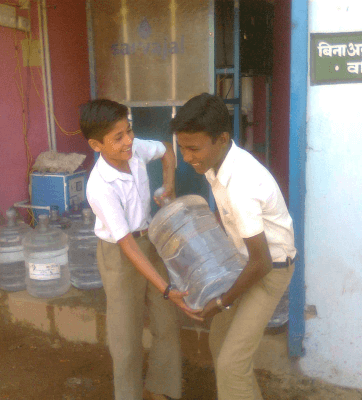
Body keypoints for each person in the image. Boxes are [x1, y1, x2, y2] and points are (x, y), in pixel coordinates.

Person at [170, 93, 297, 400]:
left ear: (222, 138)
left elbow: (262, 262)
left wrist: (223, 301)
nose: (186, 157)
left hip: (269, 271)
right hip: (245, 263)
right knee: (220, 343)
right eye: (182, 147)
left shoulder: (242, 182)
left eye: (193, 148)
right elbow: (229, 220)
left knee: (230, 363)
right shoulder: (218, 164)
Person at [79, 98, 199, 400]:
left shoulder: (135, 151)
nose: (128, 140)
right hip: (119, 255)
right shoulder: (100, 186)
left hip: (150, 240)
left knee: (167, 322)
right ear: (96, 145)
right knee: (126, 338)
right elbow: (128, 246)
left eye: (129, 131)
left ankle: (161, 390)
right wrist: (164, 287)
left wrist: (169, 183)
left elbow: (166, 150)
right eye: (118, 137)